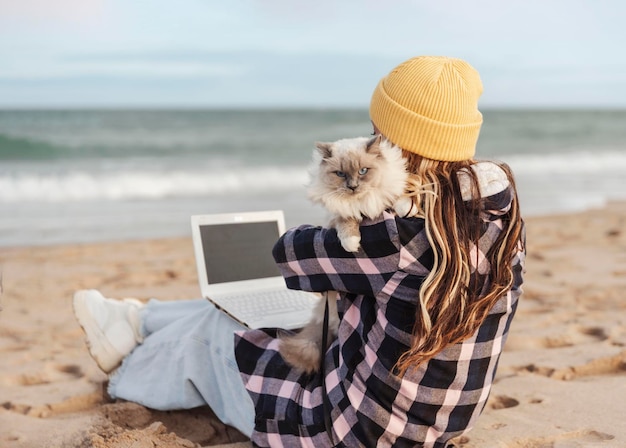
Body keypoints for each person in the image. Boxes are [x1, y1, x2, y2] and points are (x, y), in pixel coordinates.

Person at [73, 55, 526, 448]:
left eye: (380, 133)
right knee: (269, 316)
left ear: (394, 142)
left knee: (217, 334)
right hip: (434, 422)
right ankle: (139, 317)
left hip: (352, 433)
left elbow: (289, 254)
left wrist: (355, 195)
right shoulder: (499, 217)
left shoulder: (395, 236)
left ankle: (125, 362)